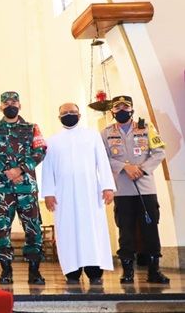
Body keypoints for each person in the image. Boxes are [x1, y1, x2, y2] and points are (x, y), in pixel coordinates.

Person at [41, 103, 115, 285]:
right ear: (59, 117)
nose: (68, 115)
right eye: (65, 113)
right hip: (63, 195)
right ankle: (72, 272)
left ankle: (94, 271)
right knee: (67, 231)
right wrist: (48, 193)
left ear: (79, 115)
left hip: (90, 193)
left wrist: (107, 186)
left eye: (72, 112)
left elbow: (102, 162)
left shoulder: (92, 136)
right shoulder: (52, 141)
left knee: (93, 231)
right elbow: (47, 169)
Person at [101, 95, 169, 284]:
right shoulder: (106, 133)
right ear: (112, 111)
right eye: (117, 107)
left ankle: (154, 270)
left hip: (145, 188)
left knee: (150, 229)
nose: (121, 110)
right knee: (126, 230)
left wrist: (142, 169)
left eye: (125, 107)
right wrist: (124, 166)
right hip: (122, 190)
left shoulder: (146, 128)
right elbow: (102, 158)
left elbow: (159, 152)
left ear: (131, 109)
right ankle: (128, 271)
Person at [0, 91, 47, 285]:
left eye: (14, 101)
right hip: (3, 189)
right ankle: (6, 270)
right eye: (6, 102)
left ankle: (34, 271)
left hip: (26, 187)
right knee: (2, 229)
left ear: (20, 105)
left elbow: (41, 150)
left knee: (33, 229)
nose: (11, 105)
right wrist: (7, 171)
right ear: (1, 106)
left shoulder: (32, 128)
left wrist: (20, 170)